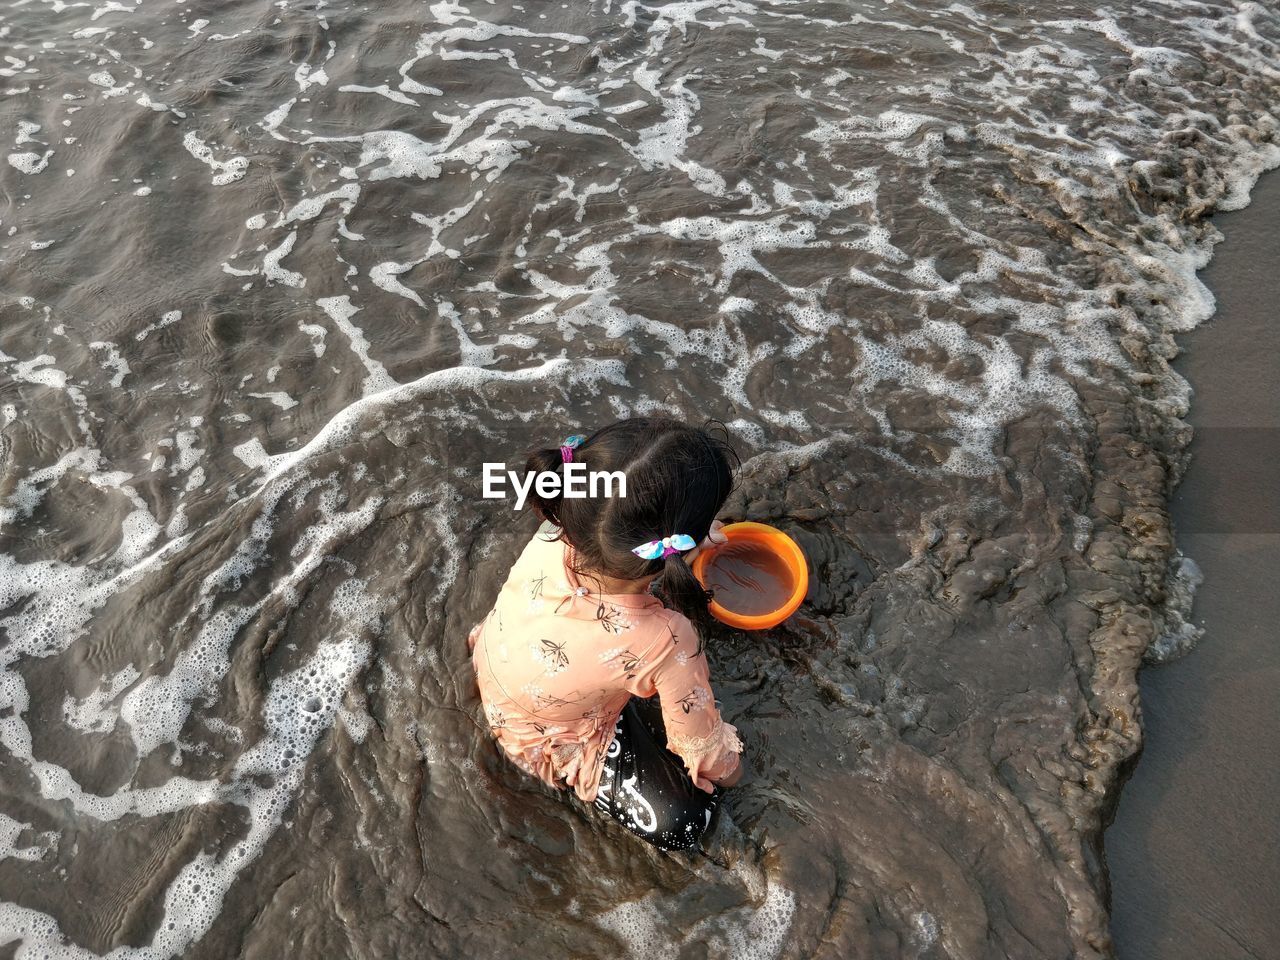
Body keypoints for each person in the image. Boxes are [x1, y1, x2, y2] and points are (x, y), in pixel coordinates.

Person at [467, 417, 744, 852]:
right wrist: (734, 770)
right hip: (552, 740)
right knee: (687, 823)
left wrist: (691, 538)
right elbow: (708, 757)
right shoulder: (668, 639)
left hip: (497, 661)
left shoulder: (557, 527)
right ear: (674, 547)